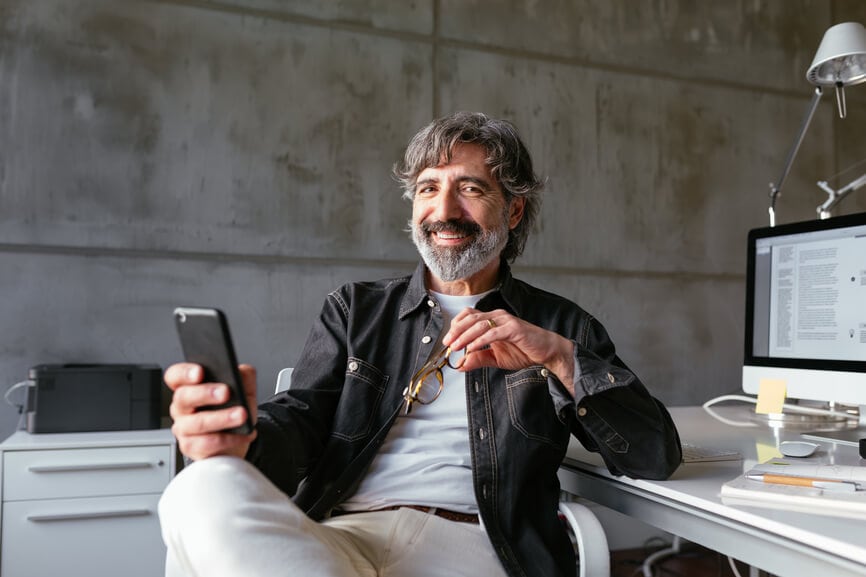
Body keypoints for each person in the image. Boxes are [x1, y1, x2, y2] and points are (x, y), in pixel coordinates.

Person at [159, 111, 682, 577]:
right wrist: (239, 444)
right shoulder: (356, 310)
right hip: (340, 538)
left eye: (471, 189)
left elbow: (654, 456)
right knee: (196, 489)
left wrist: (560, 356)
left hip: (477, 544)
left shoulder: (559, 325)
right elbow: (301, 420)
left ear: (514, 212)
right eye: (429, 188)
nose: (444, 209)